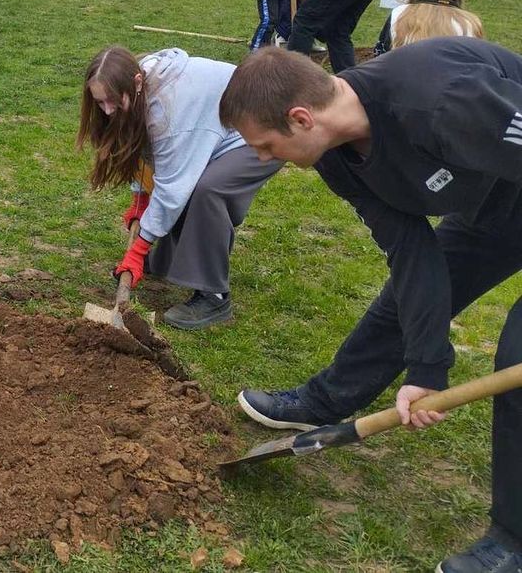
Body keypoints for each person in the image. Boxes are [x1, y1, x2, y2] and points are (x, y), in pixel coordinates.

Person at [218, 40, 522, 573]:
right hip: (490, 207)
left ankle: (513, 541)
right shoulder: (337, 159)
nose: (262, 158)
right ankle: (326, 399)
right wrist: (428, 367)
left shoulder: (441, 100)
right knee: (397, 307)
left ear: (301, 117)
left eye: (265, 145)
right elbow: (411, 252)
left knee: (517, 356)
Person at [77, 46, 281, 330]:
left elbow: (173, 188)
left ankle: (214, 296)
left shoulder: (171, 110)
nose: (107, 110)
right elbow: (147, 150)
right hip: (214, 134)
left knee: (207, 191)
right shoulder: (138, 87)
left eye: (112, 100)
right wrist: (140, 197)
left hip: (264, 134)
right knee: (188, 186)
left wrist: (138, 250)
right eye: (100, 102)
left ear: (136, 82)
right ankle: (167, 261)